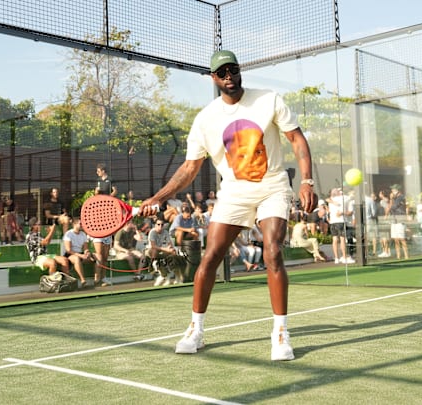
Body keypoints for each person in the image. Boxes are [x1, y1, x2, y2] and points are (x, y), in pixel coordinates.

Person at [138, 50, 315, 361]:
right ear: (213, 78)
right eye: (222, 72)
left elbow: (297, 139)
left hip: (272, 185)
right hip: (233, 193)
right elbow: (189, 168)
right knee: (211, 257)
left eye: (232, 69)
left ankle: (281, 334)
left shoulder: (269, 99)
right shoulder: (205, 119)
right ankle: (196, 329)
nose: (229, 76)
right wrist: (158, 198)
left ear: (239, 70)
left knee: (272, 250)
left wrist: (307, 181)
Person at [146, 218, 179, 286]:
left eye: (162, 224)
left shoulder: (165, 232)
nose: (160, 226)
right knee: (154, 251)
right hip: (150, 251)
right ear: (155, 225)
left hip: (160, 251)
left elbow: (170, 243)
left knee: (173, 251)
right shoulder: (152, 232)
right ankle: (153, 265)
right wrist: (166, 249)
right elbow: (153, 246)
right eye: (158, 224)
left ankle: (174, 271)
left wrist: (170, 249)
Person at [62, 218, 91, 288]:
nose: (82, 225)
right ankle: (83, 280)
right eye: (80, 224)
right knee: (77, 259)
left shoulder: (83, 234)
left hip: (80, 253)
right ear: (74, 224)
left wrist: (87, 253)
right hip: (70, 255)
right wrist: (81, 256)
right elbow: (68, 250)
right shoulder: (68, 234)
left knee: (98, 257)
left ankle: (98, 279)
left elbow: (85, 248)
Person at [327, 188, 354, 264]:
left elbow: (327, 199)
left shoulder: (331, 199)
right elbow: (351, 195)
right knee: (342, 239)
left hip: (333, 222)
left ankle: (336, 258)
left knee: (335, 239)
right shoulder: (344, 198)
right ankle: (344, 257)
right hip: (341, 221)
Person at [386, 184, 409, 259]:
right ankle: (398, 256)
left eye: (393, 189)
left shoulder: (401, 197)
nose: (392, 191)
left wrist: (391, 199)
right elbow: (389, 208)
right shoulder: (394, 198)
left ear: (397, 190)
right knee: (396, 239)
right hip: (394, 220)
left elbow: (393, 206)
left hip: (400, 220)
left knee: (402, 239)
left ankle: (406, 256)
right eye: (392, 190)